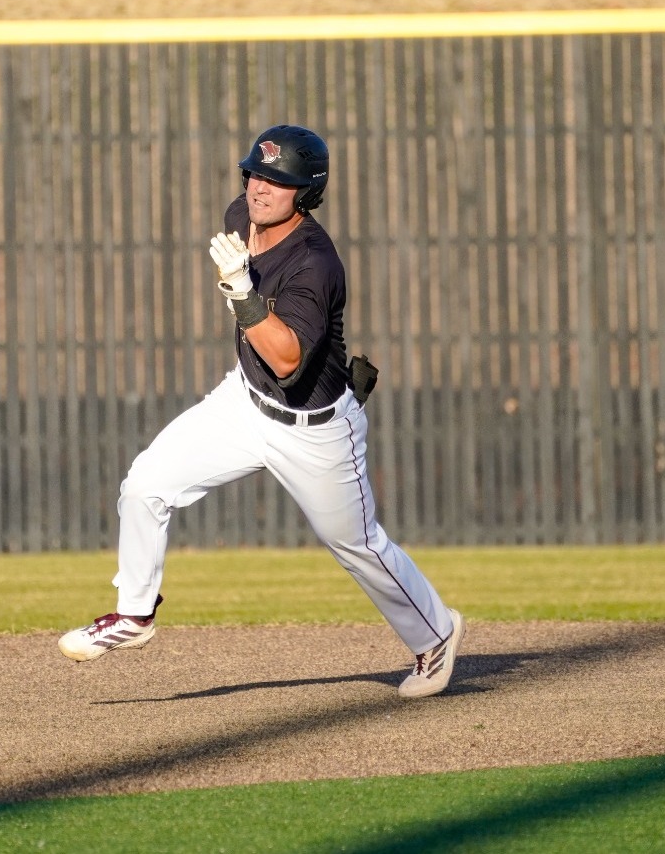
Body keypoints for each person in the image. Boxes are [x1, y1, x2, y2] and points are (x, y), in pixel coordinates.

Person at [58, 124, 463, 697]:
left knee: (358, 545)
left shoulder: (315, 264)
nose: (260, 187)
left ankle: (436, 635)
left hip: (315, 429)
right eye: (255, 173)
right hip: (243, 404)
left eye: (278, 179)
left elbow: (285, 359)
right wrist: (241, 286)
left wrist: (242, 293)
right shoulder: (238, 219)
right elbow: (259, 353)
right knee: (145, 482)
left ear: (306, 192)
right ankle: (134, 614)